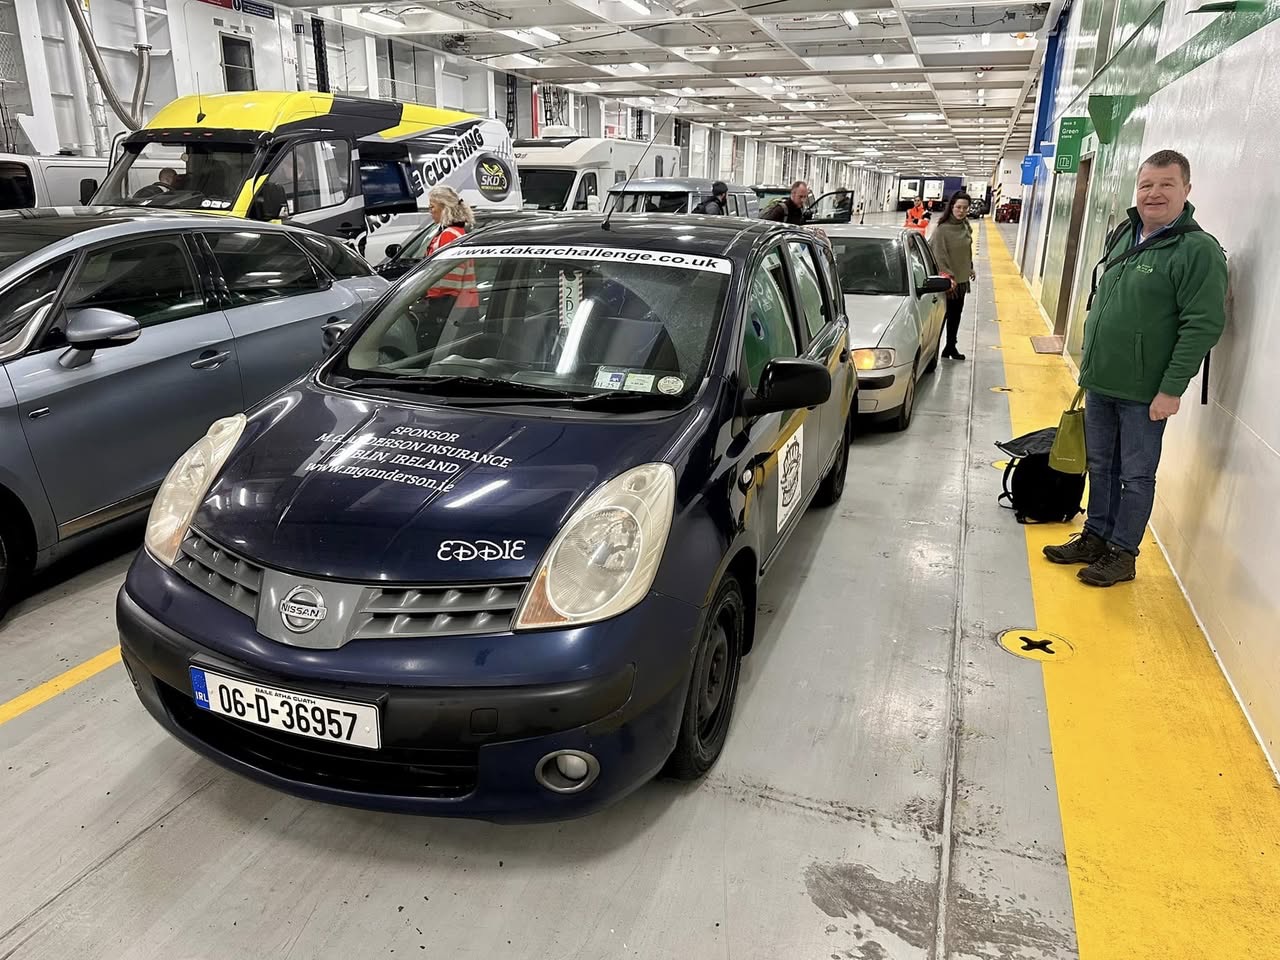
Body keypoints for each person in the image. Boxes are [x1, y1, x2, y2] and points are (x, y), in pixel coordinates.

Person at [1044, 149, 1227, 587]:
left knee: (1136, 475)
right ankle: (1095, 535)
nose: (1154, 193)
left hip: (1146, 391)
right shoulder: (1125, 233)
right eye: (1146, 184)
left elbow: (1202, 326)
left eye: (1166, 184)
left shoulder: (1196, 250)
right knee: (1101, 464)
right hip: (1102, 380)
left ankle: (1123, 554)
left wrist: (1171, 388)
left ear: (1187, 189)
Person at [421, 185, 478, 334]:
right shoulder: (458, 232)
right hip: (464, 304)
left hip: (451, 309)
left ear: (444, 208)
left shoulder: (449, 235)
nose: (430, 211)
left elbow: (446, 281)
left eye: (432, 207)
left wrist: (426, 297)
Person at [928, 191, 974, 361]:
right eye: (958, 207)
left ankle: (950, 346)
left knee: (956, 316)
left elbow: (967, 250)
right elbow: (939, 255)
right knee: (942, 317)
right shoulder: (942, 229)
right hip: (948, 283)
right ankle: (933, 350)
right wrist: (949, 277)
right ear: (952, 207)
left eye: (965, 208)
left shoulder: (965, 226)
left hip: (961, 281)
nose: (961, 211)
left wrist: (970, 267)